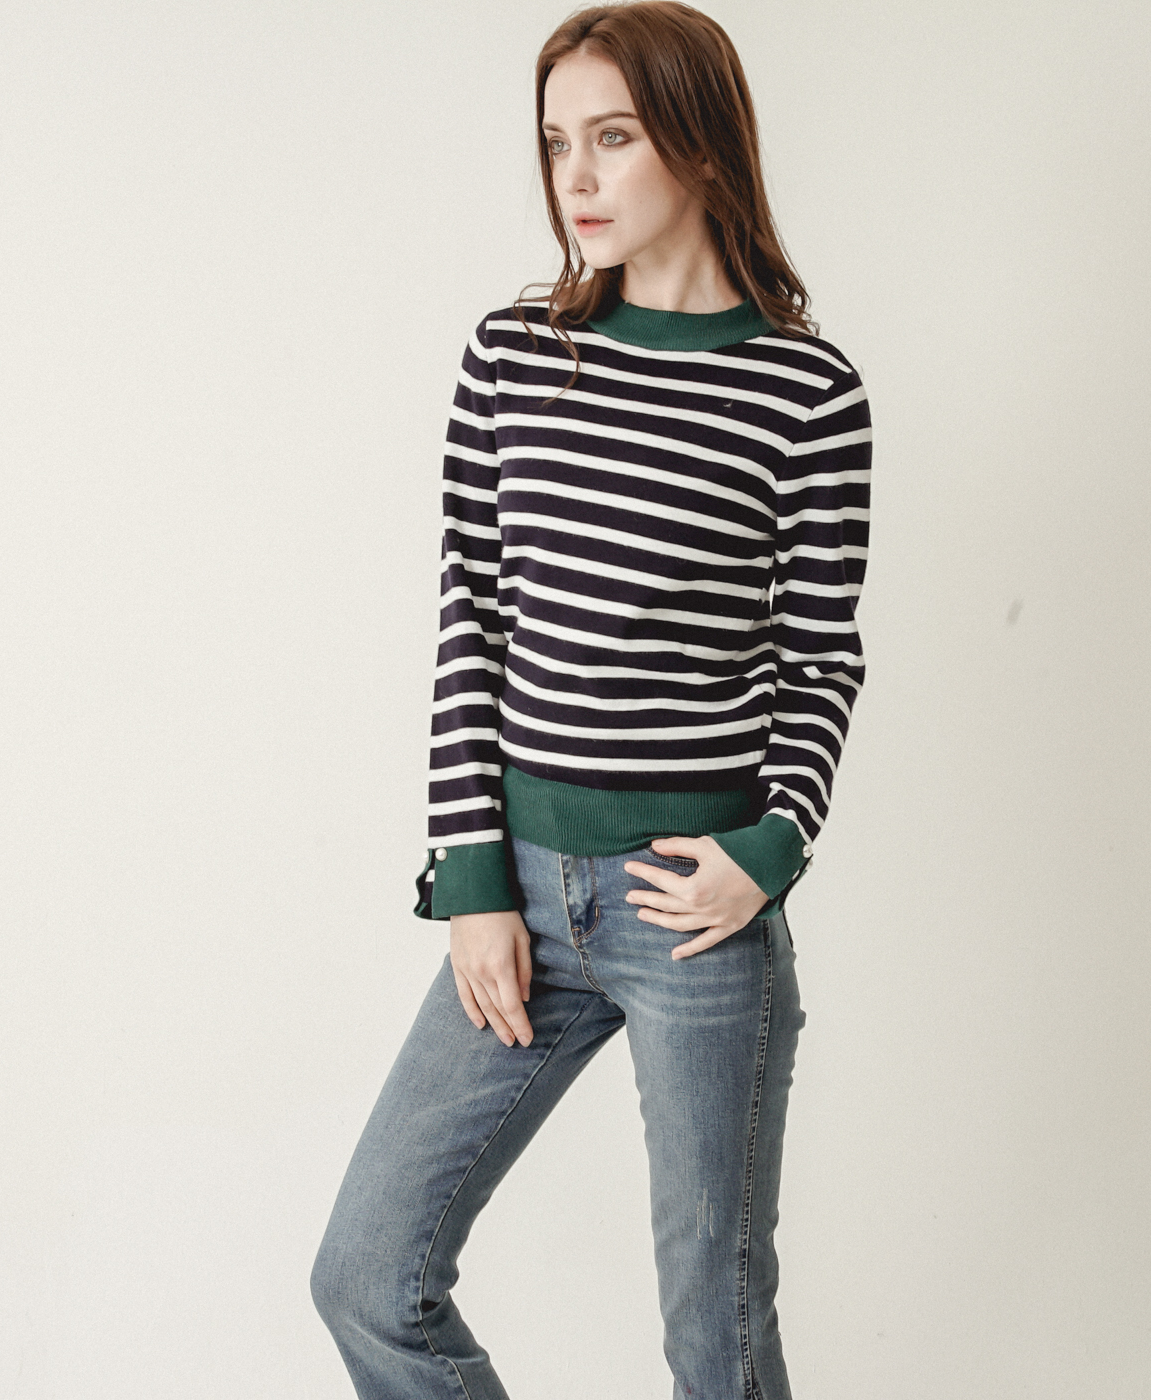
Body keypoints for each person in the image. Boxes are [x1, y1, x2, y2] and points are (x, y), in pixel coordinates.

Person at [310, 4, 872, 1396]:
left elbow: (819, 661)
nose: (576, 176)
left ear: (701, 142)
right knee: (369, 1277)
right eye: (558, 142)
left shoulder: (807, 393)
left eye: (612, 137)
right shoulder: (514, 358)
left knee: (714, 1332)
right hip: (523, 896)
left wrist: (772, 845)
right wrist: (472, 881)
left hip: (695, 913)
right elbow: (473, 625)